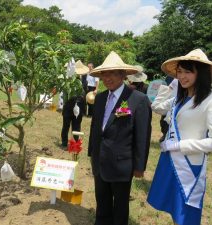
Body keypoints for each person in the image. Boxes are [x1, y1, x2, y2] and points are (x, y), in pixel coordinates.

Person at [147, 49, 212, 225]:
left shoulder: (209, 101)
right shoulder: (179, 98)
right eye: (180, 72)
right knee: (175, 211)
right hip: (171, 160)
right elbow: (157, 106)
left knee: (186, 216)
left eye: (188, 71)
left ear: (201, 73)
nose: (182, 77)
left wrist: (181, 145)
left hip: (189, 167)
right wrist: (168, 87)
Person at [88, 51, 152, 225]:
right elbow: (96, 128)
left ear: (123, 74)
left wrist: (139, 166)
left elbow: (142, 135)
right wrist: (92, 152)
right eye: (104, 74)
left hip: (121, 165)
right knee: (102, 205)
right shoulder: (100, 98)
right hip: (100, 162)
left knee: (120, 209)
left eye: (113, 73)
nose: (107, 78)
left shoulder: (137, 100)